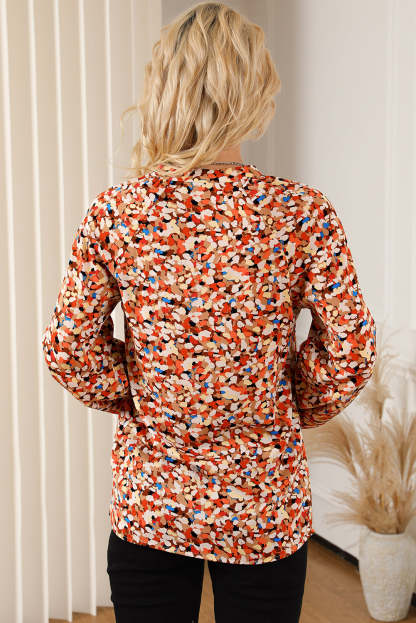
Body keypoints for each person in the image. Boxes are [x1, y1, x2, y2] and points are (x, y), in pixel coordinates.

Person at [41, 2, 377, 622]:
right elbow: (350, 350)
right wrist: (281, 404)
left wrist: (144, 397)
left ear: (162, 86)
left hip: (152, 499)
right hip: (263, 501)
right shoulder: (301, 214)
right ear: (257, 92)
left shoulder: (117, 214)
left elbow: (69, 349)